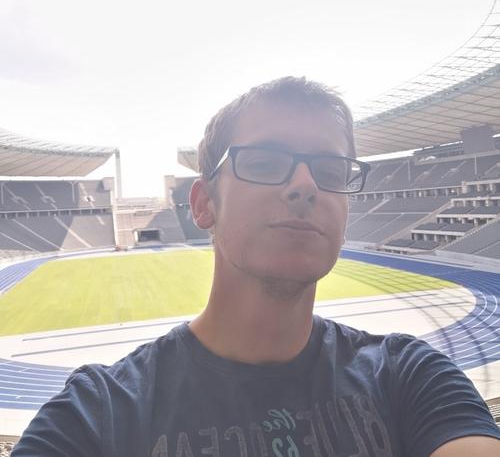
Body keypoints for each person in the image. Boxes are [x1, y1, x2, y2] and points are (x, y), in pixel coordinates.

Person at [12, 77, 500, 457]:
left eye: (330, 170)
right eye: (265, 163)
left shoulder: (410, 375)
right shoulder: (97, 414)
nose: (306, 185)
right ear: (204, 204)